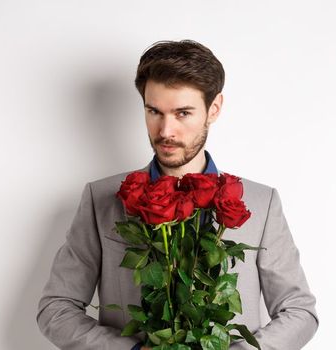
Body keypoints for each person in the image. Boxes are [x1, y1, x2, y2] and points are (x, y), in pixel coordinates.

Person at [36, 40, 318, 350]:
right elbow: (56, 308)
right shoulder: (101, 198)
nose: (166, 131)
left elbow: (299, 311)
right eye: (154, 111)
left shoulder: (261, 203)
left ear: (214, 109)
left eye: (182, 113)